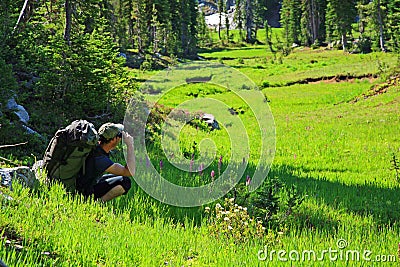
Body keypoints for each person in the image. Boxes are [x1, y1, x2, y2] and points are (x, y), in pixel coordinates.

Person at [76, 123, 135, 201]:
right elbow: (129, 172)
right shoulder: (100, 159)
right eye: (119, 136)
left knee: (115, 177)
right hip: (84, 191)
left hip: (84, 182)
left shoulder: (95, 147)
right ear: (113, 140)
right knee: (125, 182)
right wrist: (130, 145)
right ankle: (97, 204)